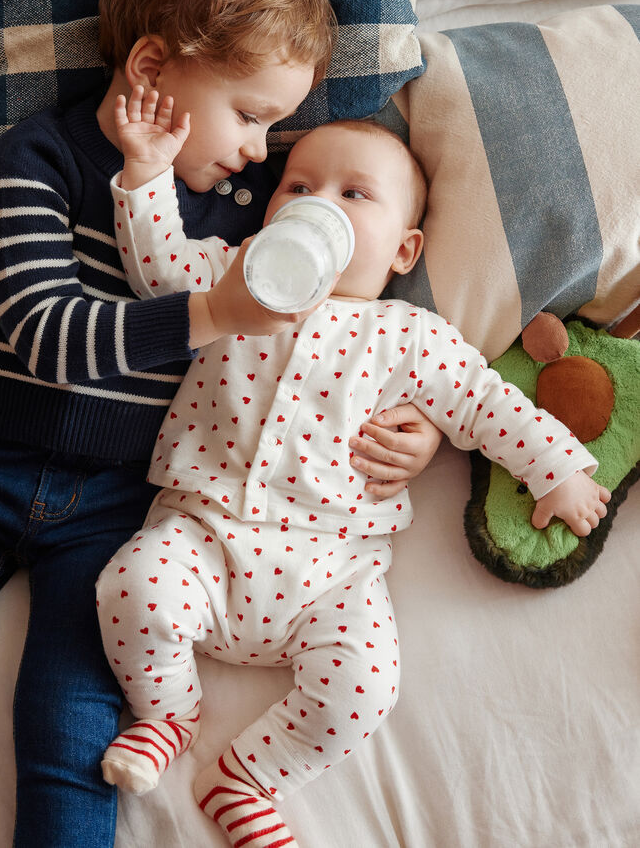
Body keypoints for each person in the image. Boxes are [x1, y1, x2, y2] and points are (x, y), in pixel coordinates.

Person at [0, 0, 442, 846]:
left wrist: (419, 426)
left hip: (122, 510)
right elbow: (49, 336)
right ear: (149, 66)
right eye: (249, 116)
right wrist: (213, 312)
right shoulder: (37, 158)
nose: (259, 150)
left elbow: (338, 332)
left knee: (70, 738)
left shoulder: (253, 210)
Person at [96, 96, 611, 848]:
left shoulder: (408, 334)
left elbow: (484, 402)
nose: (318, 205)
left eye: (354, 194)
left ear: (404, 250)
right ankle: (168, 714)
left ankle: (247, 779)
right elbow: (159, 271)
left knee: (367, 684)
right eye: (298, 187)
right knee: (131, 586)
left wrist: (556, 468)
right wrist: (145, 173)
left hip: (330, 570)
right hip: (202, 532)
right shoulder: (235, 277)